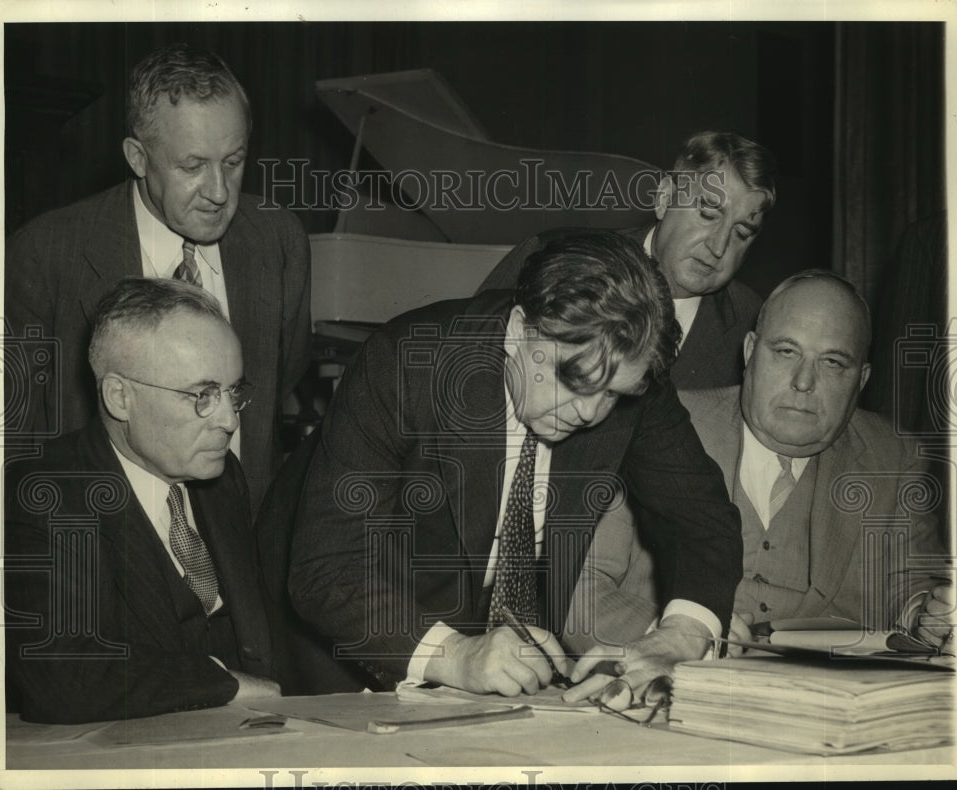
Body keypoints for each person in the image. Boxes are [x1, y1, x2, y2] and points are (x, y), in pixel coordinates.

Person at [288, 231, 743, 697]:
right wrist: (457, 656)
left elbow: (704, 522)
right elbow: (329, 566)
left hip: (492, 667)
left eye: (612, 395)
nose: (590, 412)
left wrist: (679, 638)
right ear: (521, 327)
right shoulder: (405, 362)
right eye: (576, 380)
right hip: (353, 649)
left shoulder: (628, 376)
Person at [567, 270, 952, 709]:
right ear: (750, 352)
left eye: (832, 363)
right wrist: (680, 635)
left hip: (821, 712)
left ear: (861, 380)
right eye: (786, 352)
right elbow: (576, 586)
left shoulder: (894, 457)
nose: (804, 382)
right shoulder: (658, 428)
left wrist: (928, 615)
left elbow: (912, 586)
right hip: (655, 702)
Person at [5, 43, 311, 511]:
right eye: (192, 166)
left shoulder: (279, 241)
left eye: (233, 162)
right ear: (138, 157)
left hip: (243, 540)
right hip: (106, 541)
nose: (217, 191)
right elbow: (17, 442)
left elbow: (281, 381)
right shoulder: (45, 254)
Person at [4, 278, 281, 724]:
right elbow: (65, 674)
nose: (229, 421)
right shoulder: (47, 492)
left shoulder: (221, 477)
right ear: (120, 397)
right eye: (202, 396)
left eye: (234, 393)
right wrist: (222, 682)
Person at [477, 130, 777, 390]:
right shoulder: (547, 256)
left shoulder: (752, 321)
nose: (719, 246)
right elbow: (467, 364)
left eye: (741, 232)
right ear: (664, 198)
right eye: (708, 214)